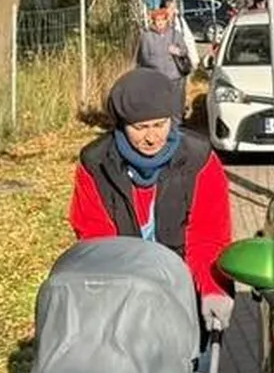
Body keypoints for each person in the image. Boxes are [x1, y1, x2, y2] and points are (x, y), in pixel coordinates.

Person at [70, 67, 234, 330]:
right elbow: (96, 241)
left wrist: (211, 290)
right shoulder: (96, 164)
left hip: (185, 294)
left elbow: (208, 236)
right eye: (140, 127)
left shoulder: (199, 160)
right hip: (123, 298)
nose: (152, 137)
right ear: (122, 125)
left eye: (160, 124)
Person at [133, 0, 194, 77]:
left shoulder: (175, 33)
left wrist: (177, 51)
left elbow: (185, 50)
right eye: (158, 20)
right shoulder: (146, 36)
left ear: (166, 20)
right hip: (156, 77)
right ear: (154, 22)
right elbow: (142, 58)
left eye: (163, 20)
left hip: (175, 76)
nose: (160, 23)